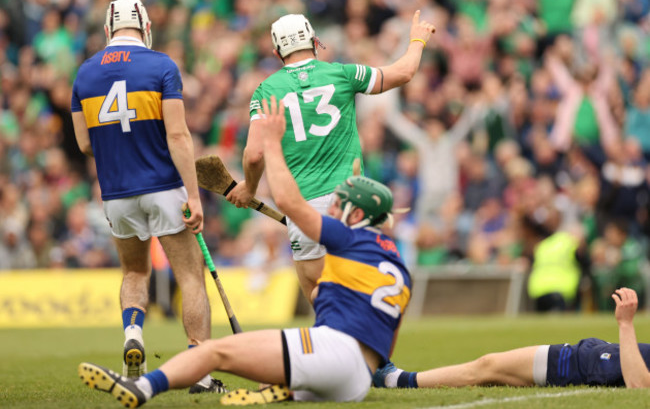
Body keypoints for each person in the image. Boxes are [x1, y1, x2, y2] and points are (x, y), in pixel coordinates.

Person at [77, 95, 411, 406]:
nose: (332, 209)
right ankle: (289, 391)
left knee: (216, 352)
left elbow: (291, 202)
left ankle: (141, 387)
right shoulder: (397, 264)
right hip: (357, 380)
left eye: (339, 205)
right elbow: (384, 341)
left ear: (356, 215)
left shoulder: (347, 237)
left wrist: (271, 144)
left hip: (333, 354)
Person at [226, 11, 435, 302]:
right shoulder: (342, 74)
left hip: (303, 207)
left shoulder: (266, 90)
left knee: (319, 296)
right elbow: (404, 72)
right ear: (315, 41)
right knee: (360, 294)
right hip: (350, 203)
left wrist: (248, 187)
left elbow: (253, 154)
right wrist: (417, 40)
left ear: (276, 52)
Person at [70, 0, 223, 393]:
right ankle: (200, 372)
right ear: (146, 28)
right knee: (190, 277)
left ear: (108, 31)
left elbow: (85, 144)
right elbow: (177, 135)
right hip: (163, 188)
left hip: (116, 195)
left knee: (134, 272)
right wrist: (194, 193)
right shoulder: (161, 66)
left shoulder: (84, 75)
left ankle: (133, 333)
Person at [373, 287, 650, 389]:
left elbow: (639, 385)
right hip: (593, 353)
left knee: (486, 366)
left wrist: (625, 324)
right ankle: (396, 378)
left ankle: (396, 380)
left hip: (575, 363)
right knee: (487, 368)